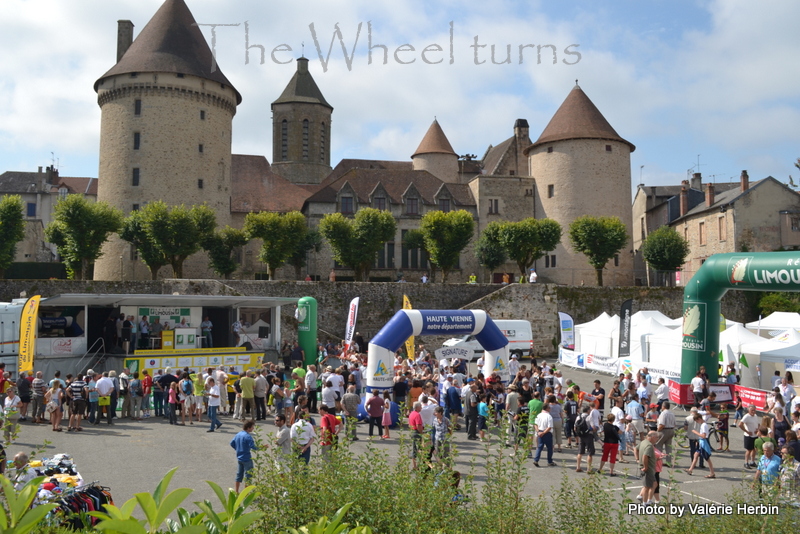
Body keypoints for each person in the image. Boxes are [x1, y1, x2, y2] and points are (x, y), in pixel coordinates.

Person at [230, 420, 259, 493]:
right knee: (248, 476)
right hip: (247, 458)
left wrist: (238, 448)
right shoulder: (248, 436)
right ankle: (246, 493)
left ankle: (236, 491)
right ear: (248, 428)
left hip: (239, 457)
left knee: (239, 475)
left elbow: (232, 443)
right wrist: (262, 447)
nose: (253, 428)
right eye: (252, 427)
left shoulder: (238, 434)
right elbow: (254, 447)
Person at [686, 413, 716, 478]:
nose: (697, 422)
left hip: (703, 443)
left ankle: (712, 473)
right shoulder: (703, 424)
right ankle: (690, 469)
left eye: (697, 421)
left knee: (707, 458)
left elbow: (704, 436)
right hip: (701, 442)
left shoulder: (704, 425)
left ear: (699, 419)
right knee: (695, 455)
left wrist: (695, 432)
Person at [637, 431, 658, 504]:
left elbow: (635, 449)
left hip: (648, 468)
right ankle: (645, 503)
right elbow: (645, 456)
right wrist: (645, 467)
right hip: (648, 469)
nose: (657, 439)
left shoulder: (643, 442)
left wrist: (637, 459)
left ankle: (647, 500)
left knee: (654, 484)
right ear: (652, 437)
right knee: (647, 486)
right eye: (656, 437)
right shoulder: (649, 446)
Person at [533, 402, 555, 467]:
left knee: (539, 447)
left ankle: (536, 460)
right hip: (547, 433)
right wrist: (544, 432)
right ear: (547, 409)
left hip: (540, 431)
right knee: (549, 448)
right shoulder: (549, 416)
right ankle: (549, 461)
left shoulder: (539, 415)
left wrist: (538, 432)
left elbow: (535, 424)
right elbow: (549, 427)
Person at [739, 404, 761, 469]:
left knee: (754, 449)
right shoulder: (746, 417)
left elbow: (758, 424)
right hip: (748, 436)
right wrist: (747, 431)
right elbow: (740, 424)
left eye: (754, 410)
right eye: (752, 410)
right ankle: (746, 462)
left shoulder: (755, 416)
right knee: (749, 450)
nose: (753, 412)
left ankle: (752, 461)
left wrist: (758, 429)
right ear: (749, 410)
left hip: (755, 435)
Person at [655, 401, 676, 466]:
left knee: (658, 445)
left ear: (663, 406)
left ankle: (659, 461)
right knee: (668, 447)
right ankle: (668, 462)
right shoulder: (672, 413)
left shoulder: (663, 413)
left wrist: (658, 431)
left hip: (664, 430)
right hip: (671, 430)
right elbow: (674, 424)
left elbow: (662, 424)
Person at [575, 406, 595, 473]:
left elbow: (575, 427)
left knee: (580, 452)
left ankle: (578, 467)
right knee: (590, 452)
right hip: (588, 435)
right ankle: (589, 469)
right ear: (588, 411)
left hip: (581, 435)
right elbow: (592, 427)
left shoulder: (578, 417)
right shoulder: (589, 417)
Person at [409, 402, 424, 469]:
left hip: (412, 431)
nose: (421, 408)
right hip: (416, 432)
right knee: (418, 449)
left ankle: (414, 465)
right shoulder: (417, 415)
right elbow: (418, 425)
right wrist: (421, 433)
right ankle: (416, 465)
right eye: (420, 406)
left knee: (414, 448)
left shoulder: (411, 413)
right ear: (417, 407)